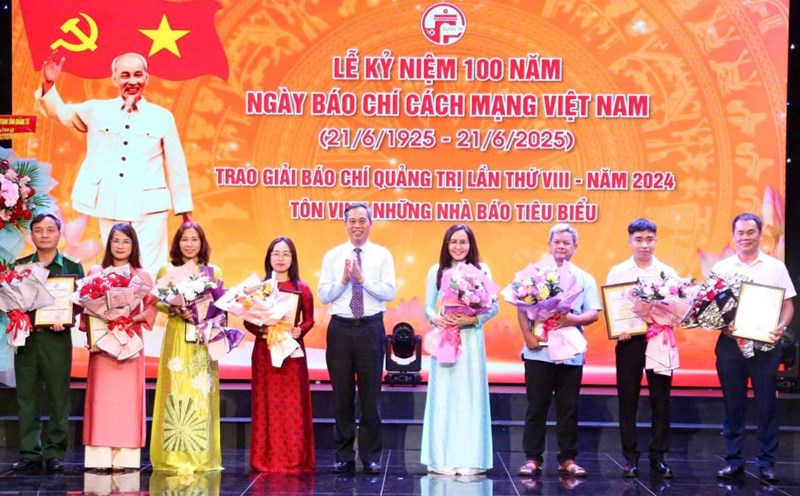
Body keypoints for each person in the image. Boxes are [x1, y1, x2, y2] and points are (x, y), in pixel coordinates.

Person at [35, 50, 192, 275]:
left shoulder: (162, 117)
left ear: (147, 78)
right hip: (110, 204)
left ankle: (149, 301)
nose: (132, 81)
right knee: (114, 270)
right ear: (114, 78)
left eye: (138, 75)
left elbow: (177, 166)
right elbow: (59, 112)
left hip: (150, 209)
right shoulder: (96, 110)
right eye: (125, 75)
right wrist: (49, 83)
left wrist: (185, 212)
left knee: (149, 270)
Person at [713, 213, 795, 483]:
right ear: (733, 235)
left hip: (765, 347)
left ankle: (767, 463)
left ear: (760, 234)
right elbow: (711, 309)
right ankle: (733, 461)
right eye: (741, 232)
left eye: (751, 232)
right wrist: (722, 325)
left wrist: (781, 326)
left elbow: (788, 305)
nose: (745, 237)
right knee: (732, 405)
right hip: (730, 346)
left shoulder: (775, 267)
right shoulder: (722, 268)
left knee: (767, 405)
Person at [517, 223, 601, 477]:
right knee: (536, 407)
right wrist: (527, 336)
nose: (561, 247)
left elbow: (593, 313)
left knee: (568, 409)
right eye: (557, 242)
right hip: (538, 351)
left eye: (567, 243)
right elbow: (521, 308)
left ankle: (567, 459)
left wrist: (572, 320)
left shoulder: (584, 278)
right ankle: (532, 458)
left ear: (575, 247)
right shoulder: (534, 274)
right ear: (549, 244)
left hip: (570, 354)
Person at [318, 202, 396, 474]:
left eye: (362, 220)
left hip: (370, 329)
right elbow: (323, 295)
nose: (357, 226)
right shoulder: (333, 256)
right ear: (345, 224)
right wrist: (343, 280)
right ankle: (343, 456)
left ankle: (371, 457)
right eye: (352, 221)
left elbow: (389, 292)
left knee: (370, 396)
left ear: (370, 224)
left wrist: (363, 280)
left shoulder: (383, 255)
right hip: (340, 329)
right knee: (342, 396)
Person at [420, 224, 498, 475]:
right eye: (453, 242)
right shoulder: (437, 271)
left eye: (463, 242)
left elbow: (493, 307)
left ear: (470, 244)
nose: (458, 246)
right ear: (446, 245)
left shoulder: (482, 270)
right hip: (447, 337)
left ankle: (470, 459)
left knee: (470, 396)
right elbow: (428, 307)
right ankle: (441, 458)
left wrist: (473, 320)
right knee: (444, 396)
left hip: (471, 340)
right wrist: (436, 318)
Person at [11, 213, 85, 472]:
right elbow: (12, 301)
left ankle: (55, 452)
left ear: (59, 234)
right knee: (26, 397)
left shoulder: (72, 267)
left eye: (50, 229)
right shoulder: (20, 266)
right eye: (39, 230)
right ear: (31, 235)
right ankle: (29, 452)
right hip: (27, 340)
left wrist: (66, 318)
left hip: (57, 340)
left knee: (58, 397)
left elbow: (79, 304)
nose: (44, 234)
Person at [605, 218, 678, 478]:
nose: (644, 245)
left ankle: (658, 456)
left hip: (660, 340)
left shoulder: (668, 273)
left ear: (656, 240)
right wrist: (619, 329)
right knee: (628, 400)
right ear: (630, 241)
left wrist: (669, 318)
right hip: (630, 342)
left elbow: (677, 309)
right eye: (639, 240)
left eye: (649, 239)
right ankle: (630, 458)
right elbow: (614, 308)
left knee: (661, 400)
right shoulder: (618, 272)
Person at [82, 223, 156, 472]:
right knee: (101, 399)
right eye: (116, 240)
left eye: (126, 241)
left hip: (130, 342)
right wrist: (92, 335)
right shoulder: (96, 272)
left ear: (133, 245)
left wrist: (132, 319)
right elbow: (87, 309)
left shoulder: (142, 275)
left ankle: (126, 458)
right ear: (109, 243)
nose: (120, 245)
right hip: (102, 344)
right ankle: (99, 457)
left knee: (128, 400)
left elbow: (151, 307)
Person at [150, 222, 222, 472]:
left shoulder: (213, 271)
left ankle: (201, 456)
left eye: (194, 239)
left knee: (201, 390)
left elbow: (221, 305)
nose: (189, 244)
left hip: (202, 338)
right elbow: (156, 301)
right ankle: (174, 455)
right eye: (185, 239)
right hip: (178, 334)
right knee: (177, 388)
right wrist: (175, 309)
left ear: (202, 243)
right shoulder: (168, 270)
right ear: (177, 243)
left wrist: (205, 314)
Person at [243, 237, 316, 472]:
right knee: (266, 404)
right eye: (276, 253)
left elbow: (309, 320)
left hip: (291, 353)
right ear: (269, 257)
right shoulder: (259, 289)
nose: (281, 258)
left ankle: (294, 459)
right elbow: (248, 320)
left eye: (286, 254)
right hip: (265, 352)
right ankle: (265, 459)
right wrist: (263, 330)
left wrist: (300, 330)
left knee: (292, 405)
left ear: (293, 259)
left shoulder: (302, 288)